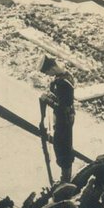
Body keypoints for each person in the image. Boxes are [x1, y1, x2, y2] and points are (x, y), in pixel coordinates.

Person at [39, 54, 76, 182]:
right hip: (63, 117)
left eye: (48, 73)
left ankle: (65, 178)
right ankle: (65, 175)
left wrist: (47, 100)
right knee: (61, 145)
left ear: (52, 68)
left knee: (62, 147)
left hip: (64, 119)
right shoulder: (62, 76)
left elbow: (62, 106)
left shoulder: (63, 83)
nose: (49, 76)